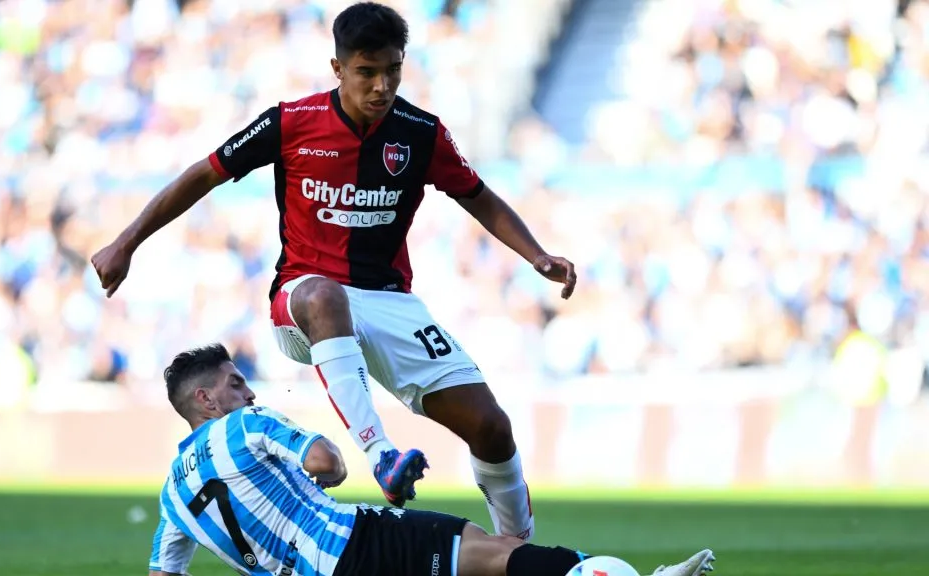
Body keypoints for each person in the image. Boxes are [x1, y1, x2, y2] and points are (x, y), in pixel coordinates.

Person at [93, 1, 578, 540]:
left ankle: (518, 553)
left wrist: (536, 254)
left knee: (491, 427)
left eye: (392, 70)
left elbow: (477, 196)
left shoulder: (421, 133)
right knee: (324, 295)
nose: (381, 86)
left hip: (389, 299)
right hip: (302, 299)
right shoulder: (291, 122)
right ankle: (381, 455)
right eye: (366, 72)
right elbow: (203, 175)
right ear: (338, 69)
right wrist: (126, 242)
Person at [146, 343, 717, 576]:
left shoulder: (172, 497)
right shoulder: (247, 424)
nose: (247, 392)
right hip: (353, 544)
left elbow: (163, 574)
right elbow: (328, 464)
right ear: (206, 399)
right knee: (499, 556)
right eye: (235, 382)